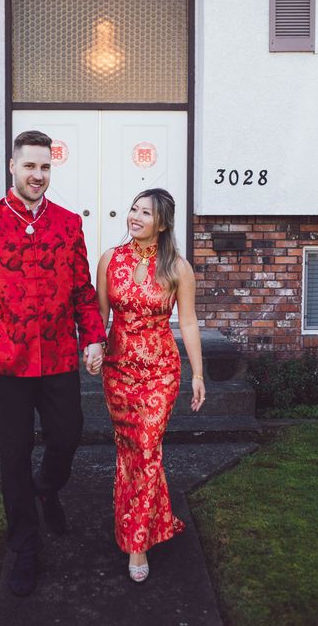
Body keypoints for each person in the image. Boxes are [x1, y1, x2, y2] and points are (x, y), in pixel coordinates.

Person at [0, 130, 106, 597]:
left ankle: (48, 487)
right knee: (13, 456)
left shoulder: (66, 223)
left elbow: (83, 289)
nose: (38, 175)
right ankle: (24, 546)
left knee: (68, 434)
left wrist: (94, 338)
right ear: (13, 167)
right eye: (30, 166)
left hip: (58, 355)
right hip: (7, 363)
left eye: (45, 167)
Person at [96, 188, 206, 583]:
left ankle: (136, 539)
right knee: (133, 451)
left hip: (161, 372)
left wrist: (197, 374)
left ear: (162, 224)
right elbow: (100, 317)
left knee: (145, 447)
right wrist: (92, 349)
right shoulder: (110, 259)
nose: (135, 217)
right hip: (119, 372)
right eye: (133, 209)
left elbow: (189, 322)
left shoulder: (177, 268)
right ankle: (155, 520)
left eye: (146, 213)